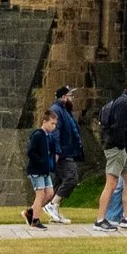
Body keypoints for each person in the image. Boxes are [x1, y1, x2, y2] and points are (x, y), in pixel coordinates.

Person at [93, 80, 127, 232]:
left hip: (126, 150)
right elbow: (119, 127)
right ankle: (100, 219)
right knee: (111, 183)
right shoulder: (124, 103)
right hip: (117, 149)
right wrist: (122, 146)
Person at [47, 86, 85, 223]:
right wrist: (56, 152)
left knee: (56, 185)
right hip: (62, 153)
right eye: (70, 96)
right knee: (71, 178)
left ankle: (35, 212)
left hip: (66, 151)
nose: (72, 98)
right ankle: (53, 205)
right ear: (63, 97)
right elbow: (55, 133)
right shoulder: (57, 110)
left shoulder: (64, 110)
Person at [23, 108, 57, 229]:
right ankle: (35, 220)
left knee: (49, 193)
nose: (54, 126)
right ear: (44, 121)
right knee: (40, 194)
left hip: (44, 170)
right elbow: (31, 152)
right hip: (37, 170)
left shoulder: (48, 137)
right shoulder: (38, 135)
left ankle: (31, 211)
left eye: (55, 124)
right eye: (52, 123)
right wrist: (41, 161)